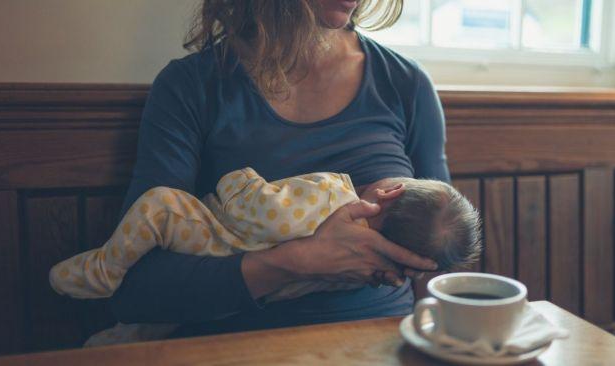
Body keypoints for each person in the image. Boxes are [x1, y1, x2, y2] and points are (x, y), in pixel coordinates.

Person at [108, 0, 450, 336]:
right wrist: (299, 262)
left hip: (382, 346)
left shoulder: (407, 84)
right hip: (237, 349)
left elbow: (441, 264)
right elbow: (137, 290)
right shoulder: (191, 86)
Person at [50, 168, 480, 302]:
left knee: (160, 205)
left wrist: (239, 178)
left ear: (390, 192)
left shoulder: (335, 192)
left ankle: (103, 270)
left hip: (211, 238)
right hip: (252, 301)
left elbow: (251, 208)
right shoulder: (360, 272)